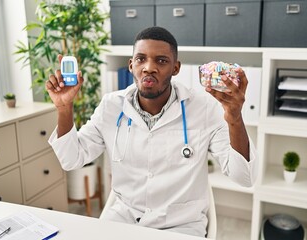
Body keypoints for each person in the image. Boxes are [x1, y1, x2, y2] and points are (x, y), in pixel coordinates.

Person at [46, 26, 258, 237]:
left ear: (176, 68)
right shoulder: (111, 106)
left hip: (181, 225)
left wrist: (235, 119)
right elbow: (71, 159)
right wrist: (64, 108)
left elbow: (245, 177)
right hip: (124, 219)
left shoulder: (204, 107)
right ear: (131, 65)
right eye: (140, 59)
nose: (149, 67)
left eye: (161, 61)